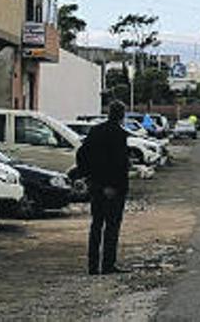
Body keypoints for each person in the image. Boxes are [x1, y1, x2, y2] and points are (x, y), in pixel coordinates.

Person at [77, 100, 131, 275]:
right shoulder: (119, 135)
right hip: (113, 189)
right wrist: (113, 185)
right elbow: (119, 164)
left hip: (96, 186)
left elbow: (82, 155)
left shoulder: (95, 131)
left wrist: (89, 178)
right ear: (122, 115)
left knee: (96, 226)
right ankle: (108, 264)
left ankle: (93, 266)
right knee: (112, 227)